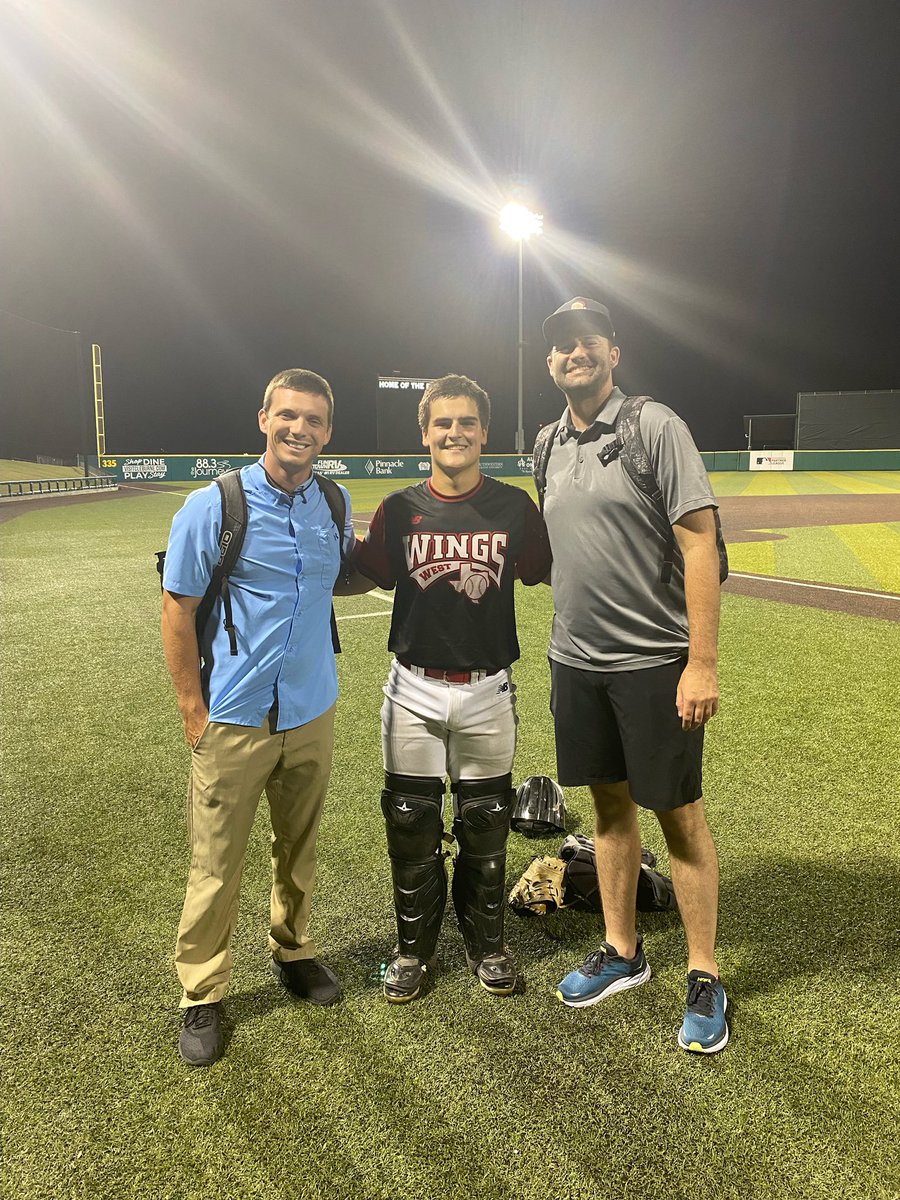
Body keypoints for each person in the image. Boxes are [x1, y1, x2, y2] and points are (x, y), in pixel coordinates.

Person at [161, 368, 366, 1066]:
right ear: (264, 418)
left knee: (298, 847)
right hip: (236, 716)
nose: (299, 429)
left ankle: (294, 949)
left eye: (312, 419)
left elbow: (347, 574)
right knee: (216, 864)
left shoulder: (333, 503)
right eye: (287, 415)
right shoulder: (213, 505)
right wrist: (193, 710)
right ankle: (203, 992)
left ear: (327, 432)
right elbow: (177, 608)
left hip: (312, 708)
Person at [539, 297, 729, 1054]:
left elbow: (700, 547)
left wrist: (702, 662)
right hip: (576, 661)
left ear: (613, 352)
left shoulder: (655, 426)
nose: (573, 353)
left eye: (586, 342)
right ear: (549, 363)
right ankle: (623, 952)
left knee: (679, 815)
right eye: (560, 346)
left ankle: (705, 972)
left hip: (654, 663)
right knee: (608, 810)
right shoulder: (548, 440)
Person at [353, 374, 551, 1003]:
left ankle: (487, 945)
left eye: (467, 423)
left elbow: (551, 569)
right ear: (425, 433)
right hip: (412, 688)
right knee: (411, 822)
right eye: (443, 423)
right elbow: (360, 573)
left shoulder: (515, 507)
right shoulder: (399, 508)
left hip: (489, 689)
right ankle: (412, 951)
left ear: (484, 433)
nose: (455, 433)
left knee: (485, 822)